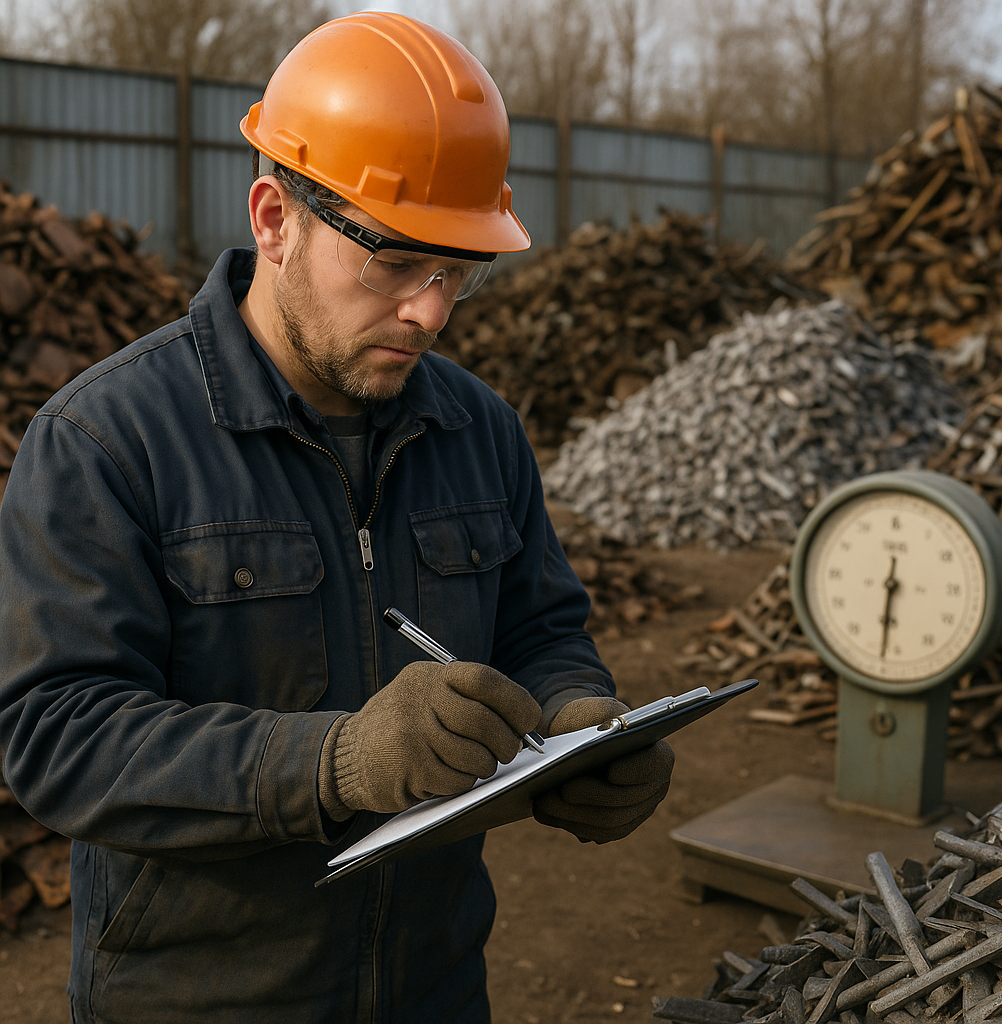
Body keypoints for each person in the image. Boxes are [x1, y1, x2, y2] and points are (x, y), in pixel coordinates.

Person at [0, 11, 674, 1023]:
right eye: (394, 262)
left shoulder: (478, 428)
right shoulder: (106, 440)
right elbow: (60, 737)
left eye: (456, 271)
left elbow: (544, 633)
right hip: (201, 998)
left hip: (433, 987)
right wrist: (331, 762)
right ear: (274, 218)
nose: (431, 312)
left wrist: (580, 723)